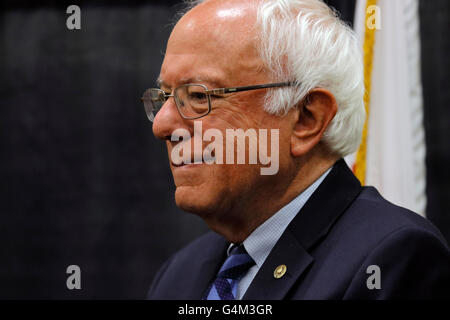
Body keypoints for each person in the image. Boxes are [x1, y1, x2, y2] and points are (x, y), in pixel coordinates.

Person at [144, 0, 450, 299]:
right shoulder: (180, 273)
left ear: (306, 119)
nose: (161, 125)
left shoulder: (391, 259)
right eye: (164, 96)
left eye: (198, 96)